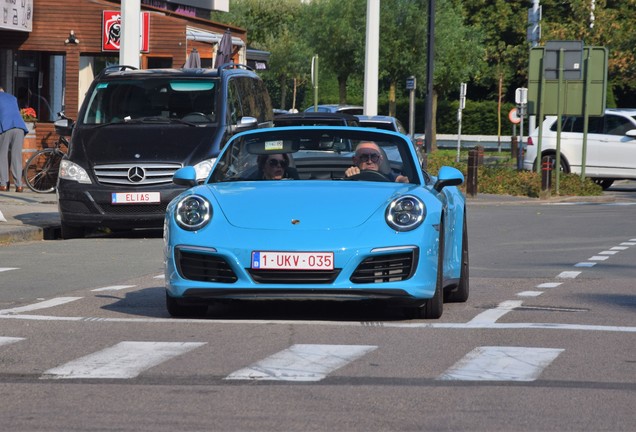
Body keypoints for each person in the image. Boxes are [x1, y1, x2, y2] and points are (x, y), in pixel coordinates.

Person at [0, 87, 29, 192]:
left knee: (2, 155)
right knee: (16, 156)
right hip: (19, 127)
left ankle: (3, 184)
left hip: (5, 127)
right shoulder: (12, 98)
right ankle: (19, 185)